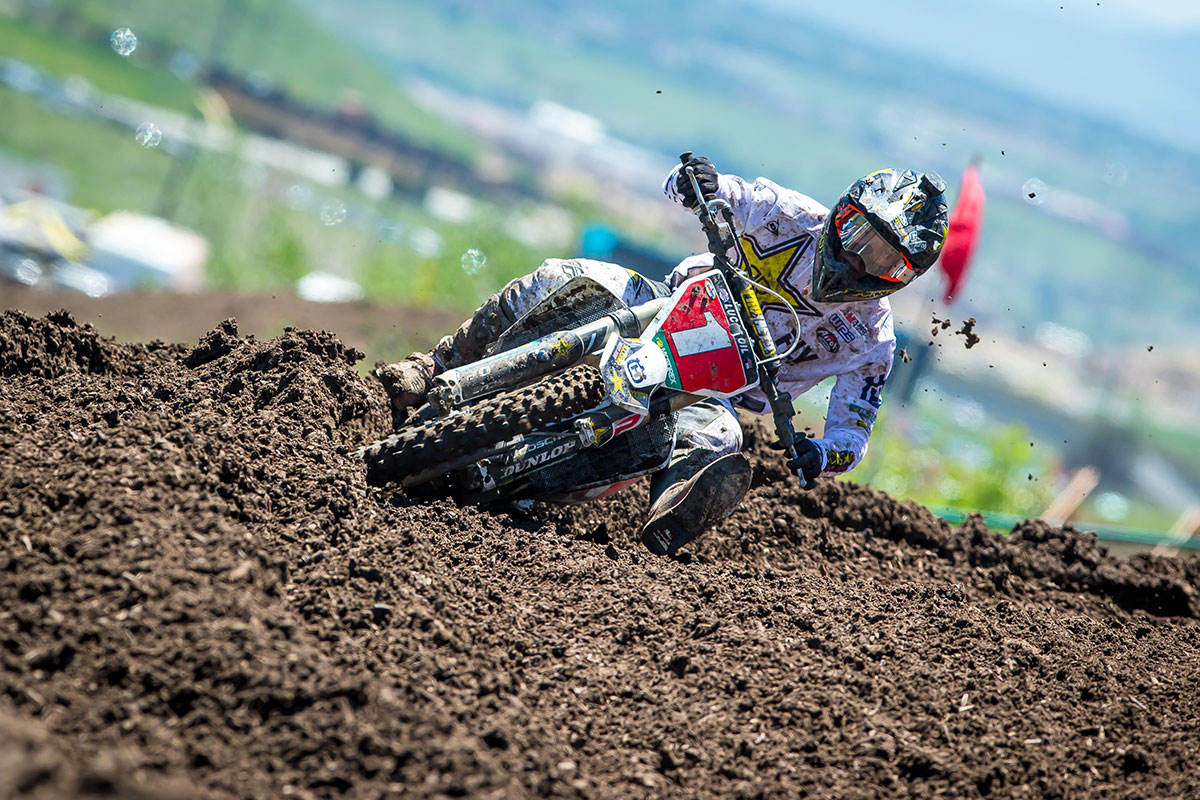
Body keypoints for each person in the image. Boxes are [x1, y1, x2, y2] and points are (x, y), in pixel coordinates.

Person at [376, 155, 948, 556]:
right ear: (842, 213)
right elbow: (704, 188)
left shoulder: (872, 342)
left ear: (903, 277)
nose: (857, 260)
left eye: (883, 261)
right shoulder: (785, 213)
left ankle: (648, 524)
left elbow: (853, 435)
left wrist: (820, 455)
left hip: (713, 394)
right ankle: (434, 366)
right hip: (659, 308)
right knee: (561, 276)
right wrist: (697, 182)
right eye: (857, 234)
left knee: (722, 448)